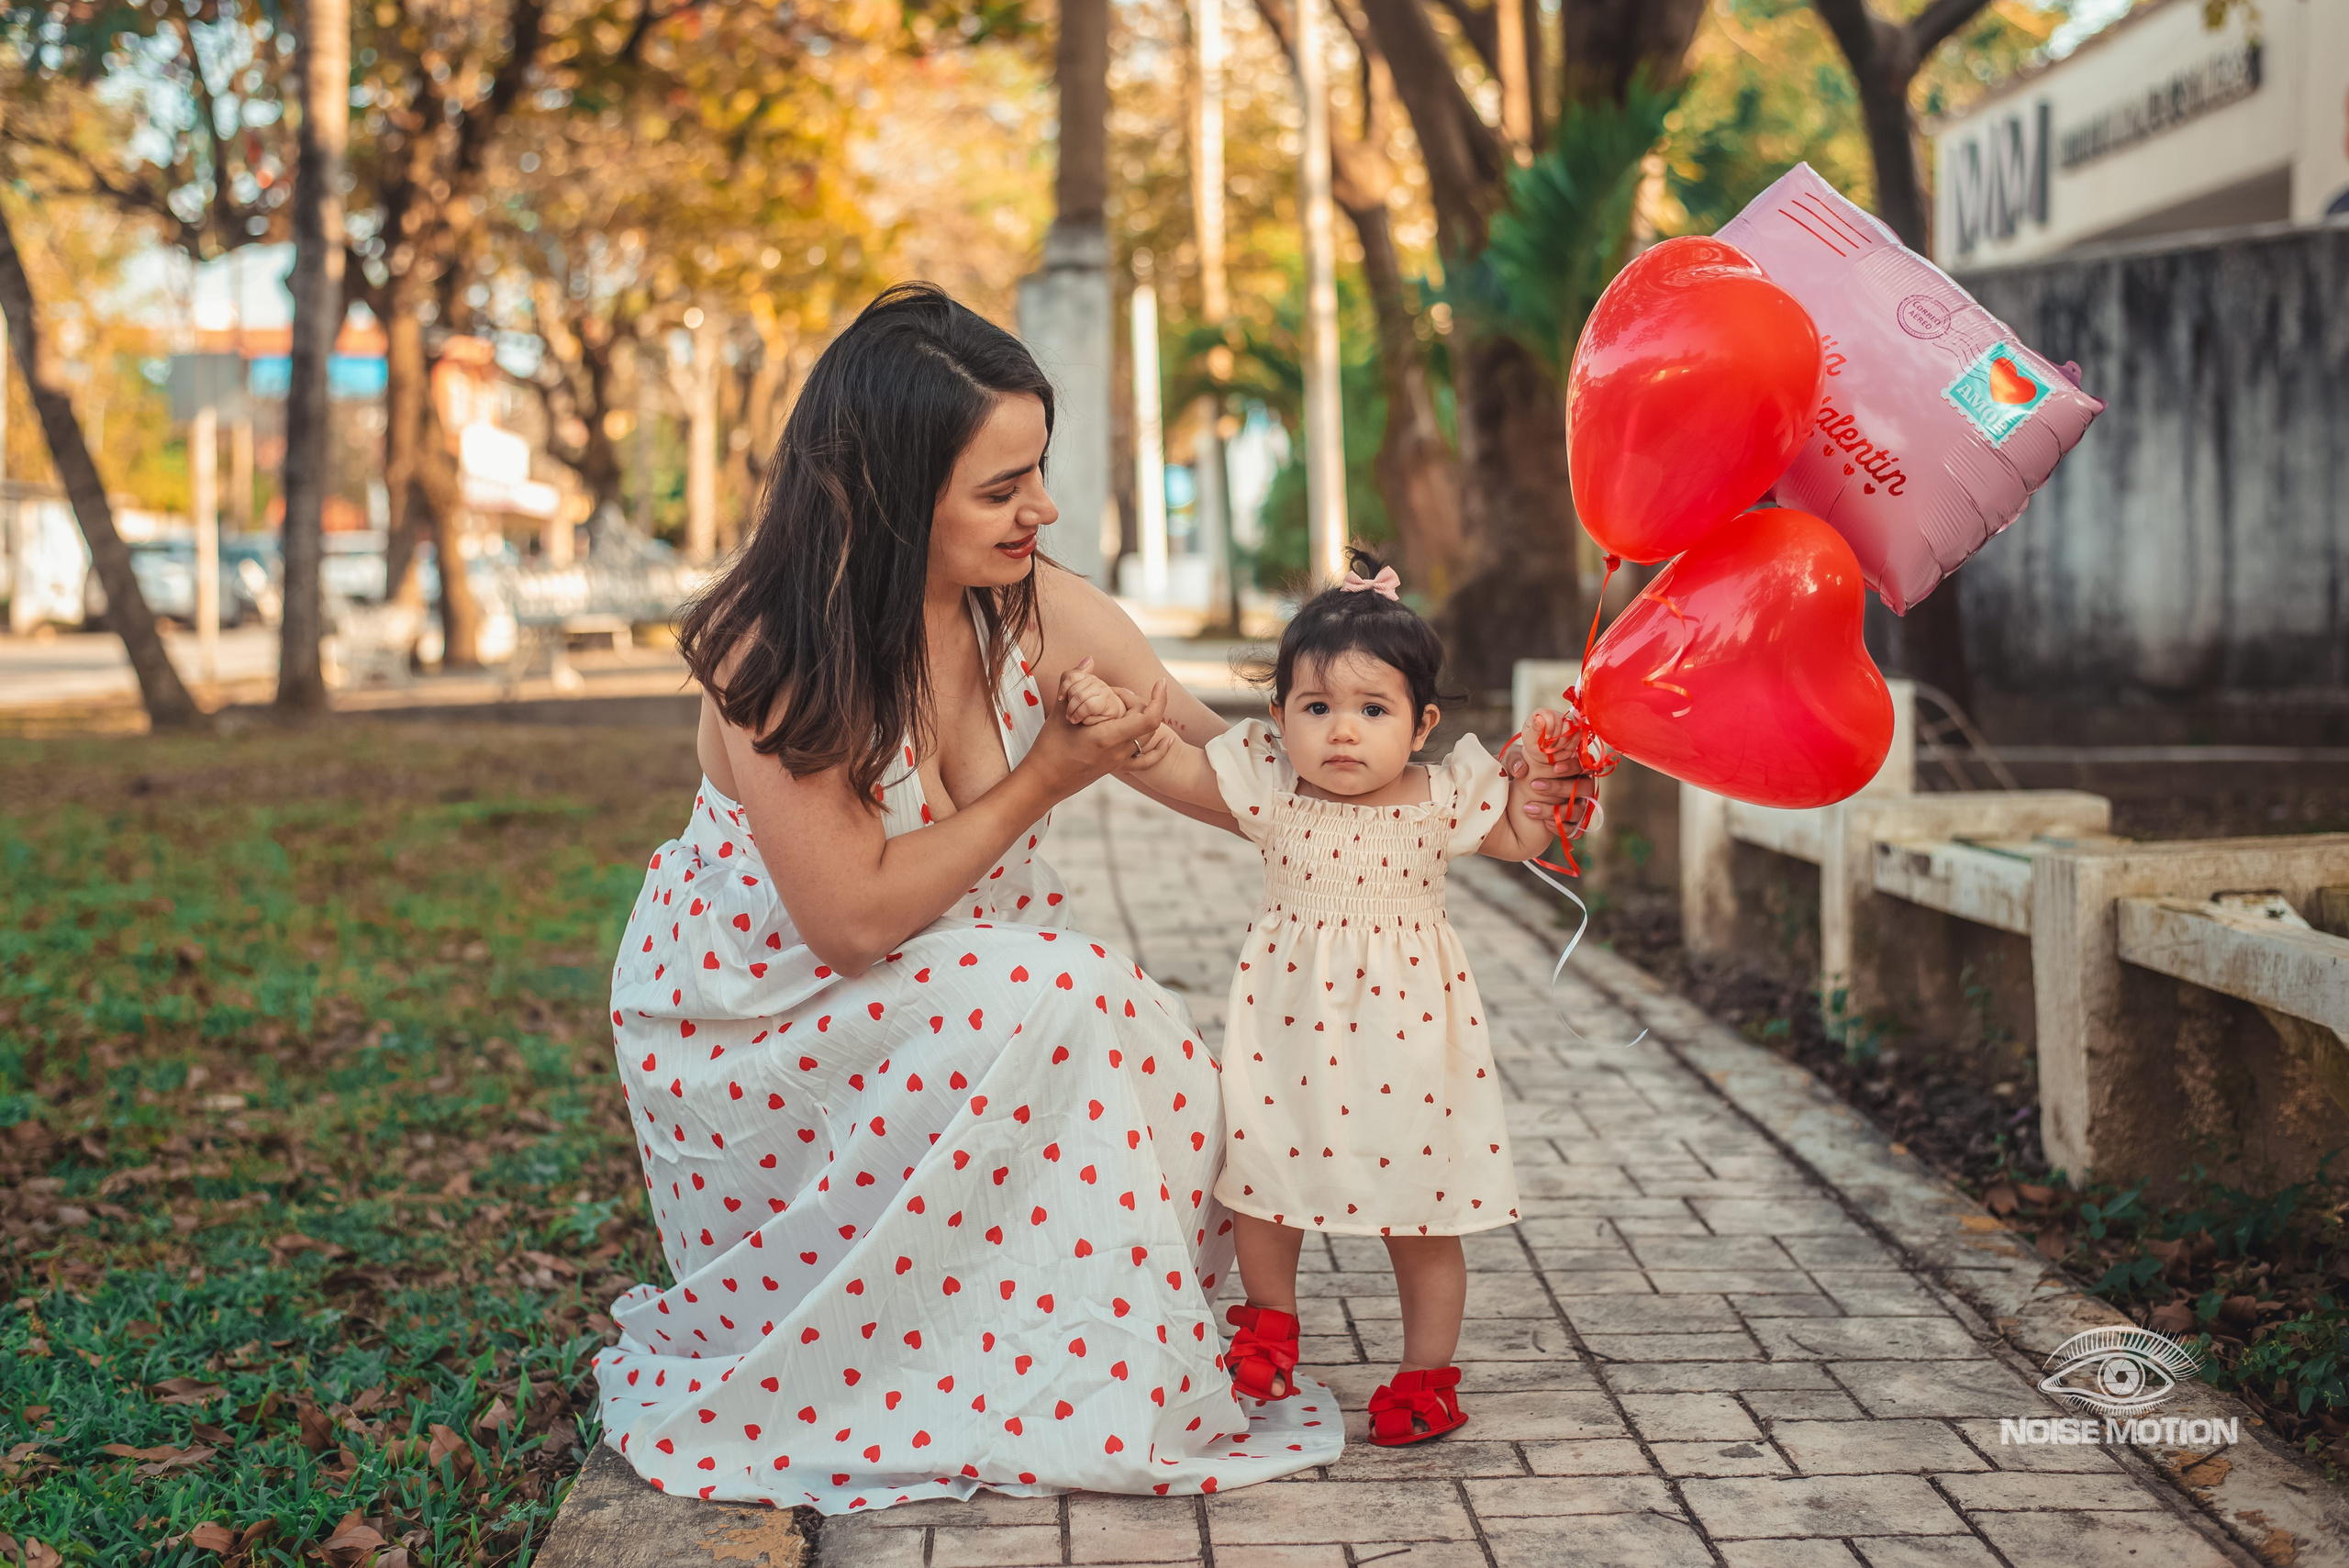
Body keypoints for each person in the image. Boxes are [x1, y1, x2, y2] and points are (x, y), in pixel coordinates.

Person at [593, 284, 1346, 1512]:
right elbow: (851, 924)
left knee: (1144, 1035)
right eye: (1003, 489)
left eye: (1036, 472)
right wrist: (1048, 774)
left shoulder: (1023, 600)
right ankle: (987, 1367)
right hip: (766, 1041)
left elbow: (1240, 773)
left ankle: (1045, 1346)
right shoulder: (775, 642)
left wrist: (1442, 776)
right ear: (894, 492)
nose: (1041, 509)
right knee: (1069, 989)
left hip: (936, 1009)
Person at [1060, 550, 1575, 1448]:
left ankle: (1425, 1373)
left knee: (1423, 1210)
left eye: (1373, 710)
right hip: (1290, 1035)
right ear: (1278, 718)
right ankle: (1268, 1328)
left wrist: (1550, 773)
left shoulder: (1443, 796)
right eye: (1317, 708)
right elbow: (1170, 765)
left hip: (1412, 1044)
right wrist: (1115, 722)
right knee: (1263, 1185)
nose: (1343, 731)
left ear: (1422, 726)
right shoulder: (1269, 788)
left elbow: (1526, 830)